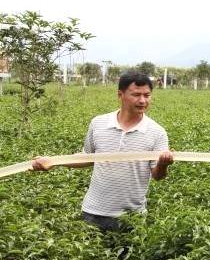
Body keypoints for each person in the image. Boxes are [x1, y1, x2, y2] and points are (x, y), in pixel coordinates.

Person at [32, 71, 173, 231]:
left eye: (147, 95)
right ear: (120, 95)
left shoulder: (157, 132)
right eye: (136, 95)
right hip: (93, 212)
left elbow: (158, 176)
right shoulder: (98, 123)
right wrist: (54, 161)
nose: (142, 100)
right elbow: (87, 157)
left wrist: (163, 165)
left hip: (131, 216)